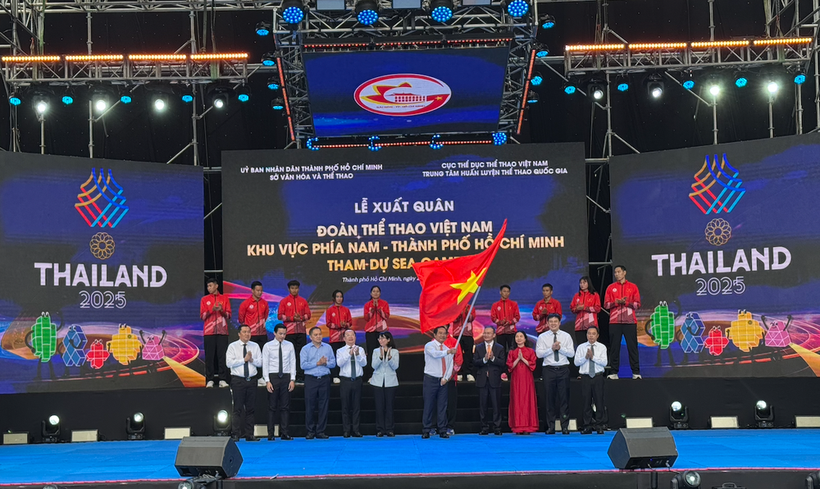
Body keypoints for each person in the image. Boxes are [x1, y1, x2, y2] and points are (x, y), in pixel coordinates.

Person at [536, 313, 575, 434]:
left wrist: (560, 348)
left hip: (563, 369)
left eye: (555, 321)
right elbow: (539, 354)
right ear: (547, 323)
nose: (553, 323)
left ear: (559, 323)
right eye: (551, 321)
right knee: (550, 399)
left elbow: (571, 354)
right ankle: (551, 426)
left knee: (564, 399)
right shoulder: (542, 337)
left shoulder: (566, 336)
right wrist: (551, 349)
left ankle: (564, 426)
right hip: (549, 370)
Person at [226, 325, 263, 441]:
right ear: (239, 334)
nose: (247, 334)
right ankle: (235, 434)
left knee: (250, 408)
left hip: (251, 380)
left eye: (249, 332)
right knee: (237, 408)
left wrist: (252, 360)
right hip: (238, 380)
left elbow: (260, 363)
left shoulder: (255, 346)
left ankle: (249, 434)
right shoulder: (233, 346)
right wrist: (244, 360)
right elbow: (229, 363)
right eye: (244, 332)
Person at [604, 265, 642, 379]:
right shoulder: (610, 288)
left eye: (619, 272)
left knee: (632, 347)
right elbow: (606, 305)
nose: (616, 274)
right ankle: (614, 372)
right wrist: (616, 302)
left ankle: (636, 372)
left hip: (630, 321)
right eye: (615, 272)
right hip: (615, 321)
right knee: (614, 347)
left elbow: (638, 305)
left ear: (624, 273)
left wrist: (626, 303)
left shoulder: (633, 287)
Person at [300, 326, 335, 439]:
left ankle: (321, 431)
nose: (318, 336)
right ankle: (310, 431)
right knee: (310, 405)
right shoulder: (305, 349)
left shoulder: (328, 347)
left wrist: (325, 363)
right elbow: (303, 365)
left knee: (323, 405)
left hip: (324, 379)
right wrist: (317, 363)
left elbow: (333, 363)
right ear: (310, 337)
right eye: (315, 335)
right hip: (311, 379)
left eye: (320, 334)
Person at [422, 326, 456, 439]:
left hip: (442, 381)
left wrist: (446, 378)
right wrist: (448, 352)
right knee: (429, 405)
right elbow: (435, 354)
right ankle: (426, 429)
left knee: (442, 406)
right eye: (440, 333)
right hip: (430, 379)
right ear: (435, 335)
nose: (442, 335)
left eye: (444, 333)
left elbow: (450, 365)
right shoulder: (429, 346)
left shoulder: (447, 348)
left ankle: (442, 429)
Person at [262, 324, 295, 441]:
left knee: (285, 407)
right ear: (274, 333)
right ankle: (270, 433)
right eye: (280, 333)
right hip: (273, 376)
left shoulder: (289, 345)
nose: (282, 336)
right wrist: (267, 380)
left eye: (284, 334)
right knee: (272, 407)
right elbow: (265, 364)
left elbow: (292, 362)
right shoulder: (268, 346)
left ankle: (284, 433)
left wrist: (292, 379)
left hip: (286, 376)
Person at [574, 326, 607, 434]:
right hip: (585, 377)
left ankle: (599, 425)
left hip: (597, 377)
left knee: (599, 402)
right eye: (589, 333)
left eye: (593, 334)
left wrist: (593, 357)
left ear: (597, 335)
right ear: (586, 335)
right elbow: (576, 363)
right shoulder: (581, 347)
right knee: (586, 402)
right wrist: (585, 357)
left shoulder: (602, 347)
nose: (591, 335)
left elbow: (604, 363)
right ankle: (587, 426)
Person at [473, 326, 506, 435]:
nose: (486, 335)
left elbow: (502, 363)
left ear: (494, 335)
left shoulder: (499, 348)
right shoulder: (478, 347)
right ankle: (484, 427)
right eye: (485, 333)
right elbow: (475, 362)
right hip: (482, 380)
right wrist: (484, 359)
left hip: (494, 380)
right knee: (483, 405)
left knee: (496, 405)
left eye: (488, 333)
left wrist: (492, 359)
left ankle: (497, 428)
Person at [200, 278, 231, 388]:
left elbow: (228, 315)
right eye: (208, 286)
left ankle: (223, 379)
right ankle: (210, 379)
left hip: (222, 332)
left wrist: (222, 310)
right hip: (209, 332)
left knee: (222, 356)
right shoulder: (204, 299)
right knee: (209, 357)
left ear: (216, 286)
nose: (209, 288)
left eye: (211, 286)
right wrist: (211, 310)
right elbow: (202, 316)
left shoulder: (224, 298)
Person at [336, 329, 367, 437]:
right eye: (348, 335)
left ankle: (356, 430)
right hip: (345, 381)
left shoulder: (361, 349)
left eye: (352, 335)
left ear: (355, 337)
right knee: (345, 406)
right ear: (344, 338)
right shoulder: (340, 351)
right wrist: (349, 354)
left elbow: (364, 363)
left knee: (356, 406)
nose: (350, 337)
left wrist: (357, 355)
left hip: (357, 380)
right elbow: (339, 364)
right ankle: (346, 430)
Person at [279, 280, 311, 383]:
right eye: (292, 288)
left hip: (301, 332)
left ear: (299, 289)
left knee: (301, 354)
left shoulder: (303, 301)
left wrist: (301, 318)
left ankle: (301, 376)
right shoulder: (284, 301)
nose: (294, 290)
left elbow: (308, 315)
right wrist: (292, 318)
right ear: (289, 289)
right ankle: (290, 376)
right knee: (290, 355)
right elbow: (280, 316)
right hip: (289, 333)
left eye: (296, 288)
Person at [238, 281, 270, 386]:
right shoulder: (245, 304)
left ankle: (261, 377)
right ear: (252, 291)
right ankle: (251, 376)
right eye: (257, 290)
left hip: (262, 334)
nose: (260, 292)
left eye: (261, 290)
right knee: (251, 356)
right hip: (250, 335)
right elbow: (241, 319)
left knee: (262, 356)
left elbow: (266, 316)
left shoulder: (264, 303)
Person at [506, 331, 538, 434]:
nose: (519, 338)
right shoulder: (512, 352)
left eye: (521, 336)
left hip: (527, 380)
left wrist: (522, 359)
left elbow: (533, 365)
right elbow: (510, 366)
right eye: (517, 337)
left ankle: (528, 426)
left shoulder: (530, 351)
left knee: (527, 399)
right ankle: (517, 426)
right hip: (516, 380)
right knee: (517, 400)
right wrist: (517, 359)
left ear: (525, 339)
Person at [370, 331, 399, 437]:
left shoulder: (395, 351)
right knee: (379, 406)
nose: (381, 340)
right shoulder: (376, 351)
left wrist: (389, 358)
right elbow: (373, 366)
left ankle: (390, 429)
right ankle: (380, 429)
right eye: (379, 339)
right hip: (377, 382)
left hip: (390, 382)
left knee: (389, 406)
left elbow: (395, 366)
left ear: (388, 340)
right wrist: (381, 357)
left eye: (383, 338)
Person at [532, 283, 562, 380]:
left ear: (551, 292)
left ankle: (553, 372)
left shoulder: (556, 303)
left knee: (552, 350)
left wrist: (548, 313)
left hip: (552, 331)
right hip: (541, 331)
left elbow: (559, 316)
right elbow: (534, 317)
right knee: (542, 352)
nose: (545, 292)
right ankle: (542, 374)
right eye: (544, 290)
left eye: (547, 290)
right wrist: (541, 314)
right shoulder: (539, 304)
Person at [491, 284, 519, 381]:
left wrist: (510, 322)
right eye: (504, 291)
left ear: (509, 293)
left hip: (511, 332)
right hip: (500, 332)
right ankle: (502, 371)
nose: (506, 293)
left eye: (507, 291)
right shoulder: (495, 305)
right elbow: (493, 317)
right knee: (501, 352)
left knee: (511, 351)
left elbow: (517, 317)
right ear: (500, 292)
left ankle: (511, 370)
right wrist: (500, 322)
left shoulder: (514, 304)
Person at [326, 289, 353, 384]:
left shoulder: (346, 310)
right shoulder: (330, 310)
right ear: (334, 298)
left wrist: (345, 325)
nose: (339, 298)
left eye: (341, 296)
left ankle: (344, 374)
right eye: (337, 297)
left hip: (344, 338)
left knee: (345, 356)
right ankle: (335, 375)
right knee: (335, 357)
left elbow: (350, 323)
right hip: (334, 338)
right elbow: (328, 324)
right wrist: (338, 325)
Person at [363, 286, 390, 378]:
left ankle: (383, 373)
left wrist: (379, 309)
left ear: (380, 293)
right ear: (371, 293)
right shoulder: (367, 304)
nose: (375, 293)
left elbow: (386, 317)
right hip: (370, 332)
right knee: (371, 352)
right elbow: (366, 318)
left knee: (382, 351)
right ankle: (371, 374)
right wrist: (372, 311)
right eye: (374, 291)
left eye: (377, 291)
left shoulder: (384, 303)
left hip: (382, 331)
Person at [571, 276, 602, 349]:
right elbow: (572, 309)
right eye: (581, 283)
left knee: (592, 347)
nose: (582, 284)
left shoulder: (594, 295)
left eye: (584, 282)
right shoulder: (576, 296)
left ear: (589, 283)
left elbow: (598, 308)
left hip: (591, 325)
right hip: (579, 326)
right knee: (581, 347)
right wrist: (577, 308)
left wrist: (585, 307)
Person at [450, 304, 476, 382]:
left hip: (468, 334)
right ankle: (459, 373)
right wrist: (459, 313)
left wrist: (466, 312)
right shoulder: (454, 307)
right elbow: (453, 319)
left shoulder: (470, 307)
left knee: (469, 354)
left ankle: (469, 373)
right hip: (457, 334)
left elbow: (471, 318)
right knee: (458, 354)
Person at [445, 331, 464, 436]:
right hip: (438, 378)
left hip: (451, 379)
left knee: (451, 403)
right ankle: (437, 426)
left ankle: (450, 426)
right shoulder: (433, 343)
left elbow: (459, 360)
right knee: (437, 403)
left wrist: (451, 374)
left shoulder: (454, 342)